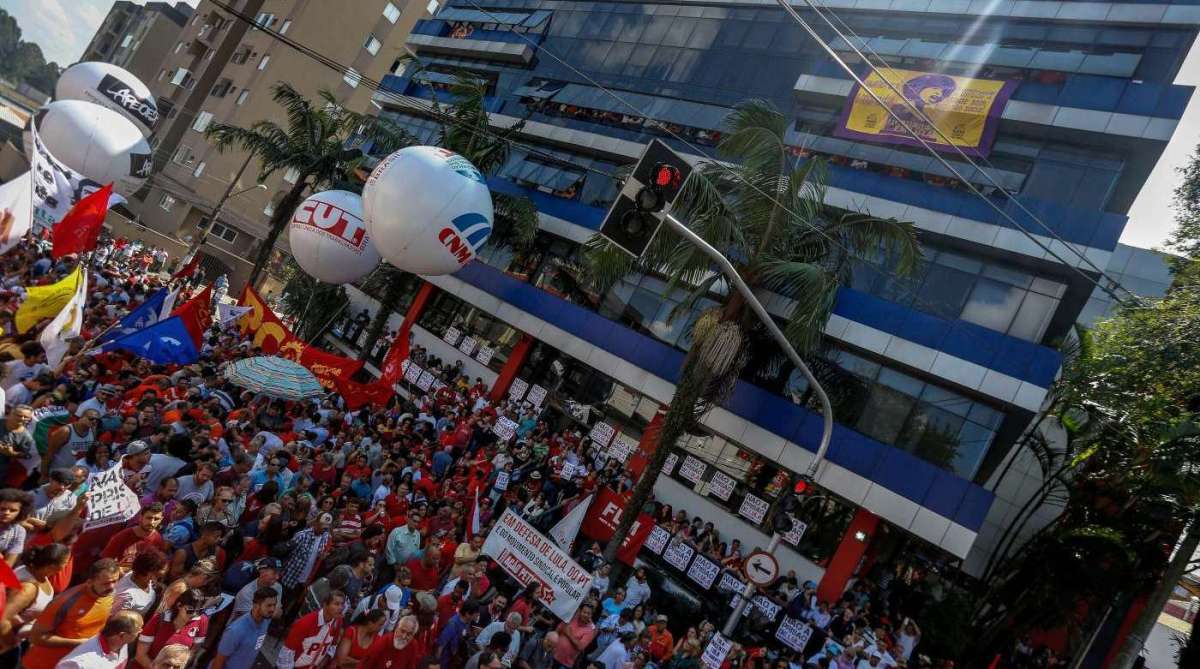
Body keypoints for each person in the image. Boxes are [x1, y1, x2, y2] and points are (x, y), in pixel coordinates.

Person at [21, 558, 121, 669]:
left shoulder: (110, 595)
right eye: (106, 583)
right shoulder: (64, 602)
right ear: (89, 582)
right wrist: (77, 643)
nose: (111, 587)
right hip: (42, 665)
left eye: (115, 581)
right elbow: (36, 637)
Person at [0, 542, 68, 642]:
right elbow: (3, 619)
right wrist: (12, 645)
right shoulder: (28, 589)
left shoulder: (41, 577)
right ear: (53, 566)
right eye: (66, 561)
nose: (67, 564)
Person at [135, 588, 208, 668]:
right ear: (179, 605)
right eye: (190, 610)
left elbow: (194, 650)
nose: (194, 614)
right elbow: (140, 655)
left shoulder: (202, 620)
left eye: (199, 611)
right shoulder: (159, 620)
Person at [211, 588, 278, 669]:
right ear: (256, 605)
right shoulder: (235, 630)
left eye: (274, 605)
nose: (273, 609)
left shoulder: (266, 620)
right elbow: (218, 661)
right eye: (269, 605)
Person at [279, 589, 346, 669]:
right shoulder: (304, 623)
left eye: (342, 604)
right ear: (325, 604)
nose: (341, 608)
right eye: (336, 604)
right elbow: (287, 652)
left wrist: (322, 663)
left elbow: (333, 645)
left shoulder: (338, 621)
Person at [55, 610, 144, 669]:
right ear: (122, 635)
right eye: (138, 630)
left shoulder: (122, 644)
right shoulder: (81, 663)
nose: (141, 631)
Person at [114, 548, 167, 617]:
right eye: (157, 575)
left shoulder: (141, 577)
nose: (164, 572)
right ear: (150, 573)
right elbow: (114, 620)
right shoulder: (127, 597)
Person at [436, 598, 480, 669]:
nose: (478, 615)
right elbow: (441, 645)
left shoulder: (467, 622)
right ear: (467, 614)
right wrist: (436, 663)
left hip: (453, 660)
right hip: (443, 661)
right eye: (476, 613)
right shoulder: (452, 625)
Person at [553, 603, 597, 669]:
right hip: (552, 654)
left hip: (565, 664)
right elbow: (558, 630)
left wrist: (569, 634)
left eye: (588, 613)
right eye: (584, 612)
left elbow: (580, 646)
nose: (586, 615)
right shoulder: (571, 618)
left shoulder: (590, 630)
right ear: (580, 612)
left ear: (591, 615)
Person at [0, 487, 32, 564]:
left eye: (13, 510)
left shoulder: (19, 532)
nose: (7, 513)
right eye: (2, 509)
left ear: (21, 512)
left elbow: (9, 562)